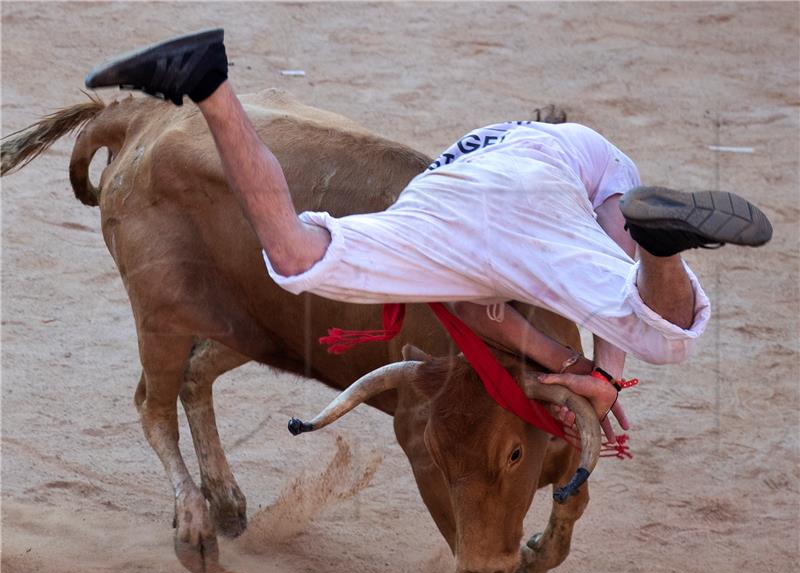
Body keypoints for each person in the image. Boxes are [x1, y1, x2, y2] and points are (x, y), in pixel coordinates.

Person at [84, 29, 772, 443]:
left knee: (295, 256)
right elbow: (609, 270)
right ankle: (665, 242)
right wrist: (603, 375)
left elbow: (474, 302)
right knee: (668, 337)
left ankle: (208, 83)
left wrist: (566, 361)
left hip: (444, 199)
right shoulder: (581, 149)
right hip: (546, 187)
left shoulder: (482, 149)